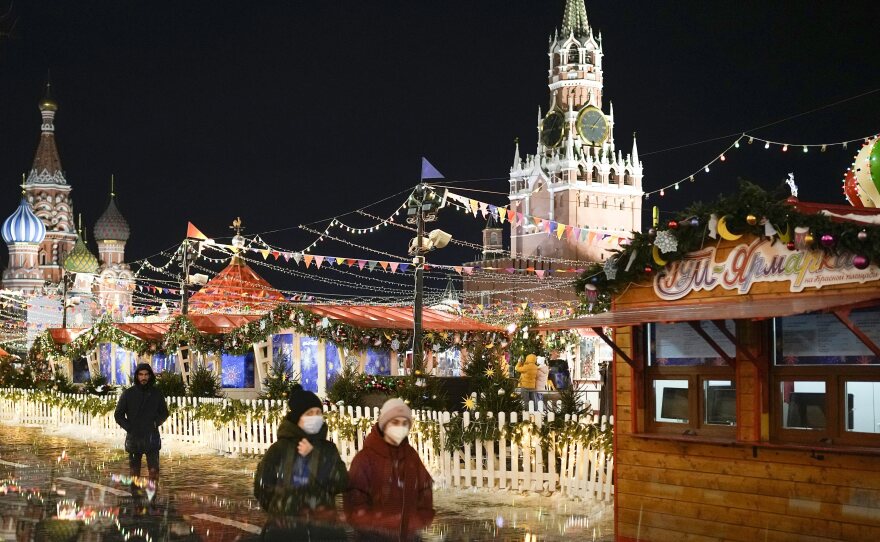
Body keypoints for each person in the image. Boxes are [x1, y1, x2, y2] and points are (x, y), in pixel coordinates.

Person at [254, 384, 348, 541]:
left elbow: (341, 482)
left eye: (318, 413)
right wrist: (280, 511)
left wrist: (314, 457)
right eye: (309, 413)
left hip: (325, 531)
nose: (315, 417)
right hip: (285, 533)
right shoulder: (279, 449)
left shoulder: (328, 449)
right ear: (298, 417)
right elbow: (262, 486)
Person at [344, 398, 434, 541]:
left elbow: (425, 488)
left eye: (405, 423)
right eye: (395, 422)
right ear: (384, 425)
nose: (400, 427)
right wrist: (375, 526)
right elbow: (354, 501)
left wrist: (419, 519)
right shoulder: (365, 459)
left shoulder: (411, 456)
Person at [114, 363, 169, 482]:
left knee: (154, 472)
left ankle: (152, 497)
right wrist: (129, 428)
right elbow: (118, 415)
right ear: (137, 376)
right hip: (134, 437)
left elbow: (164, 413)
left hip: (151, 437)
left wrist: (155, 423)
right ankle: (135, 497)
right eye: (141, 375)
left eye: (146, 374)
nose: (143, 377)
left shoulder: (157, 393)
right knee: (134, 473)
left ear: (150, 376)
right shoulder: (128, 394)